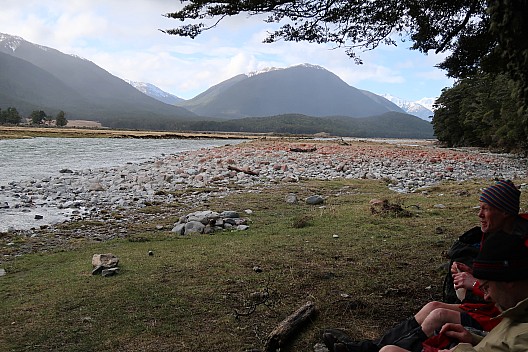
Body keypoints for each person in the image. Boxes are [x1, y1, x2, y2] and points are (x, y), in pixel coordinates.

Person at [323, 180, 528, 352]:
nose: (479, 214)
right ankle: (370, 347)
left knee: (438, 314)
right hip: (494, 308)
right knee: (431, 306)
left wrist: (474, 283)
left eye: (486, 209)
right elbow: (499, 281)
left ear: (505, 212)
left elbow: (514, 289)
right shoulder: (496, 234)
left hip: (500, 315)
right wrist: (474, 274)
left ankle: (386, 348)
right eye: (480, 208)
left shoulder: (520, 243)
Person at [378, 231, 528, 352]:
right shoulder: (515, 313)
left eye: (486, 287)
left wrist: (474, 283)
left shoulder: (520, 326)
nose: (486, 296)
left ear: (509, 281)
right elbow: (499, 342)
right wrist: (474, 339)